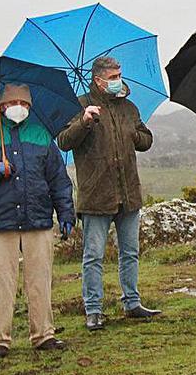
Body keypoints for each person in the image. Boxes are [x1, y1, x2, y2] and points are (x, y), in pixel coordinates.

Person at [0, 85, 73, 360]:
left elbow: (58, 180)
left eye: (24, 103)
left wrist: (66, 213)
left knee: (40, 280)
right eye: (13, 102)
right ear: (1, 106)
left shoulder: (42, 136)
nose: (19, 107)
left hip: (38, 220)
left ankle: (44, 335)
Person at [57, 56, 161, 331]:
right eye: (113, 77)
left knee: (130, 252)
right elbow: (64, 141)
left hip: (128, 192)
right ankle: (93, 310)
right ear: (98, 79)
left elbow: (146, 139)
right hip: (96, 194)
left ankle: (132, 302)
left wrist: (134, 136)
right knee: (93, 255)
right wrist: (85, 121)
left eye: (119, 75)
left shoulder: (129, 107)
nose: (118, 81)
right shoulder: (78, 106)